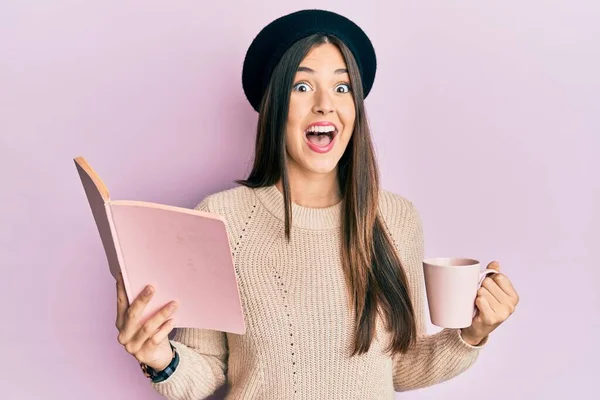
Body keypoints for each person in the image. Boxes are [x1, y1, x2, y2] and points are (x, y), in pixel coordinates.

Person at [114, 9, 519, 399]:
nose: (325, 104)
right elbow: (206, 373)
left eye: (342, 88)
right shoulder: (222, 218)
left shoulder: (396, 219)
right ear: (275, 107)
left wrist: (473, 332)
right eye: (302, 86)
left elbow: (400, 366)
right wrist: (158, 357)